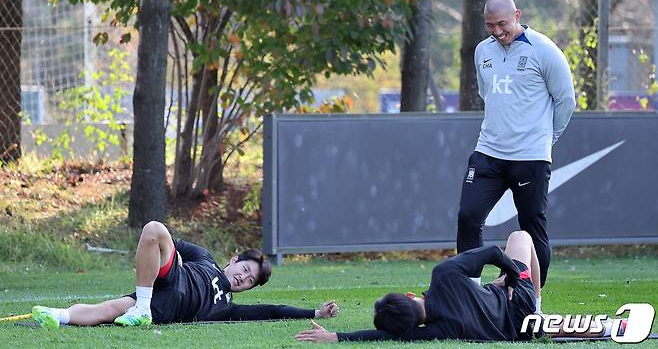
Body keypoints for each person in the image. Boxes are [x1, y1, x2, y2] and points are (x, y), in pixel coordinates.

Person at [456, 0, 576, 307]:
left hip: (530, 157)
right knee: (468, 216)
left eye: (502, 24)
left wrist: (548, 139)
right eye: (490, 25)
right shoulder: (483, 51)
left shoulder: (544, 50)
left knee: (532, 229)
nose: (496, 31)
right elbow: (487, 94)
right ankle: (470, 296)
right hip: (488, 152)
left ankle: (532, 302)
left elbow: (566, 101)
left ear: (517, 15)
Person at [295, 231, 624, 343]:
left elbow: (382, 336)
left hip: (517, 329)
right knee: (520, 238)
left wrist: (337, 336)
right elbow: (495, 253)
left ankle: (609, 327)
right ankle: (537, 298)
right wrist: (511, 276)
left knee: (556, 327)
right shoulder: (444, 275)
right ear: (411, 296)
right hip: (516, 297)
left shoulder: (435, 332)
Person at [31, 221, 338, 328]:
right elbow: (167, 244)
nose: (242, 279)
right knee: (153, 230)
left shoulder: (227, 307)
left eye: (249, 281)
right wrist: (166, 260)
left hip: (165, 308)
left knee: (109, 310)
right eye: (244, 270)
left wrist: (315, 312)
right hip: (172, 279)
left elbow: (272, 310)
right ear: (233, 260)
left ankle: (138, 308)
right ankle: (56, 315)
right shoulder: (204, 258)